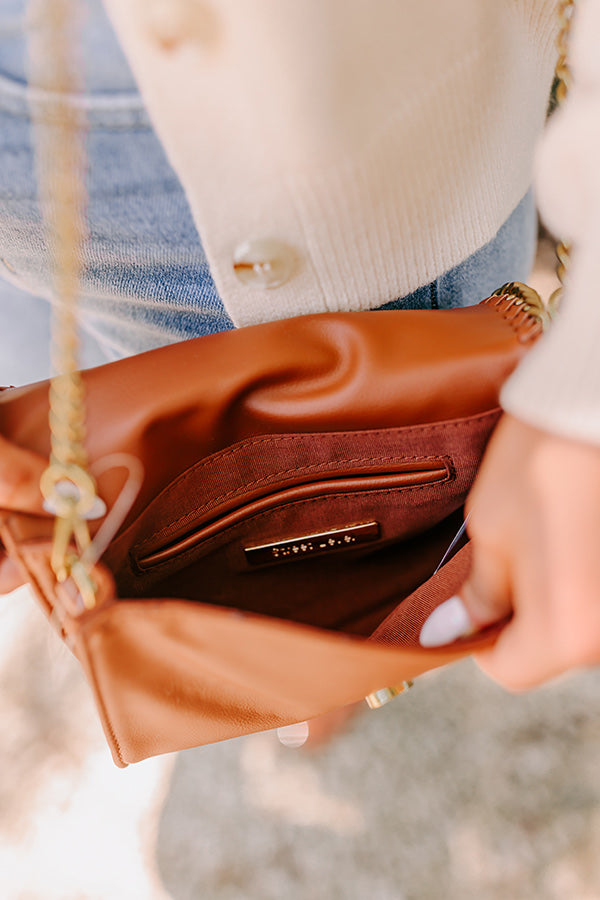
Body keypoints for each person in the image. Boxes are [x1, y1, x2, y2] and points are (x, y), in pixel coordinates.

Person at [1, 0, 599, 691]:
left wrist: (582, 387)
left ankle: (345, 644)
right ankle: (318, 658)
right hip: (48, 254)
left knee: (420, 531)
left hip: (401, 180)